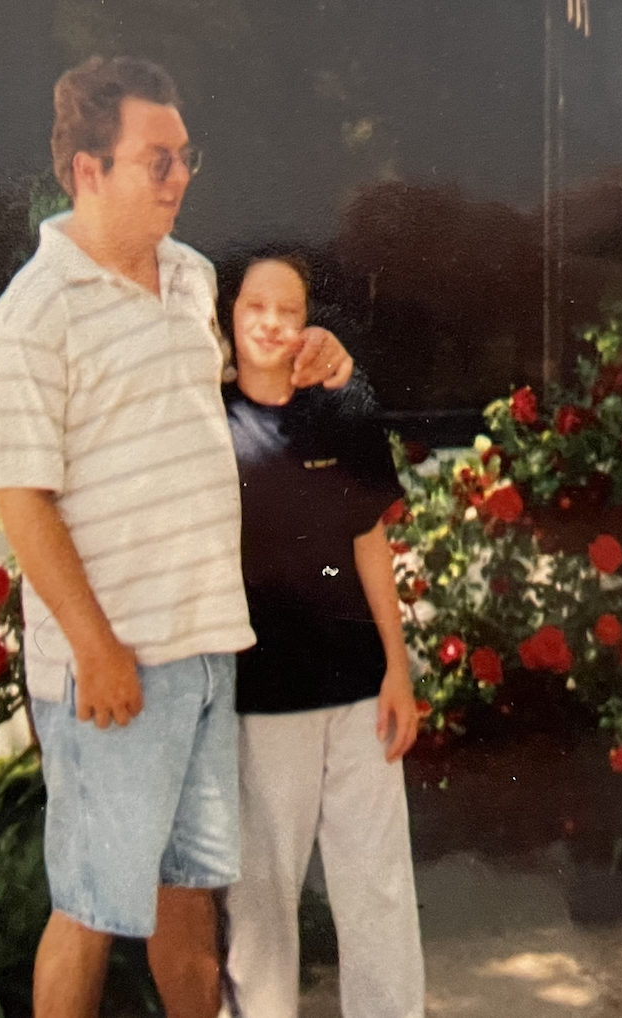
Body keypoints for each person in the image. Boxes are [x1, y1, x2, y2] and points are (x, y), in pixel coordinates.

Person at [0, 58, 354, 1018]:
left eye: (185, 157)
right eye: (156, 160)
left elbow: (201, 415)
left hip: (202, 650)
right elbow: (22, 500)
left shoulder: (191, 278)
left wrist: (309, 358)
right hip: (111, 667)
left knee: (189, 900)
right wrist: (98, 649)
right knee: (91, 910)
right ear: (86, 172)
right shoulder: (32, 316)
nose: (180, 177)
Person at [219, 253, 424, 1018]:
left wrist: (398, 671)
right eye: (255, 308)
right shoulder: (211, 422)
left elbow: (369, 540)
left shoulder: (341, 412)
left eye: (289, 310)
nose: (272, 323)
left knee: (378, 884)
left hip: (357, 691)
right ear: (230, 317)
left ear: (308, 323)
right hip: (261, 698)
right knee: (262, 895)